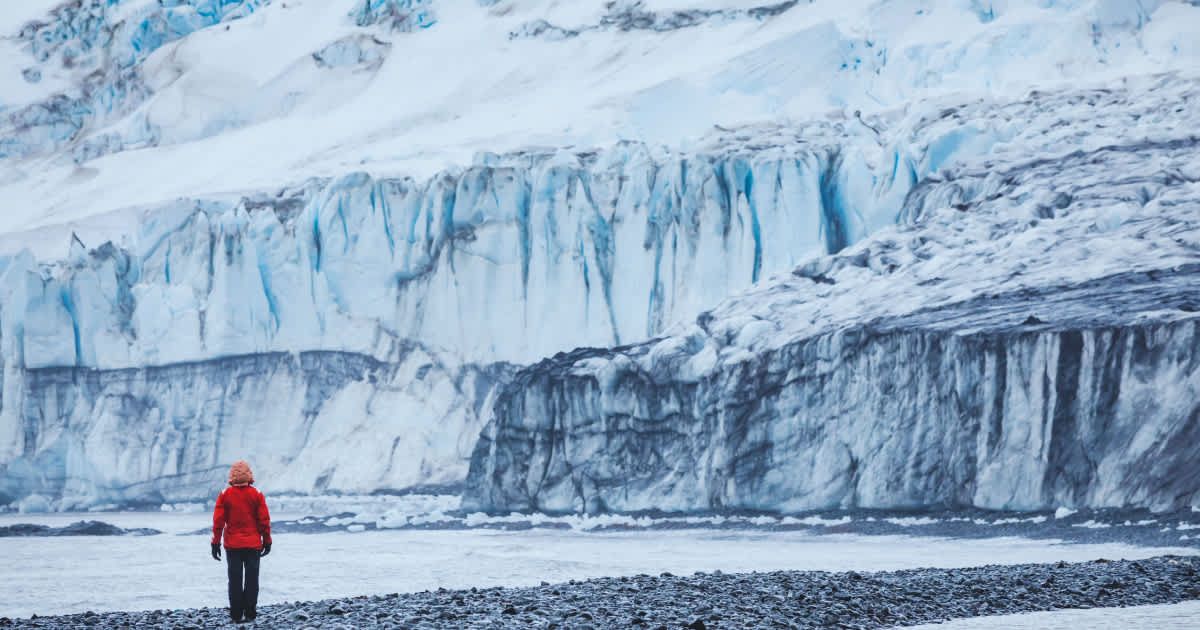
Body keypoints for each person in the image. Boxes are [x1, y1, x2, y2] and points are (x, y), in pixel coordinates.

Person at [211, 460, 272, 623]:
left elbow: (218, 521)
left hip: (233, 546)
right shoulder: (256, 494)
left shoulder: (225, 494)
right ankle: (250, 612)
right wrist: (267, 541)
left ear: (232, 475)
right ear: (249, 474)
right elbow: (264, 520)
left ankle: (236, 614)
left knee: (235, 579)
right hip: (253, 545)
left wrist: (215, 542)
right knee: (252, 579)